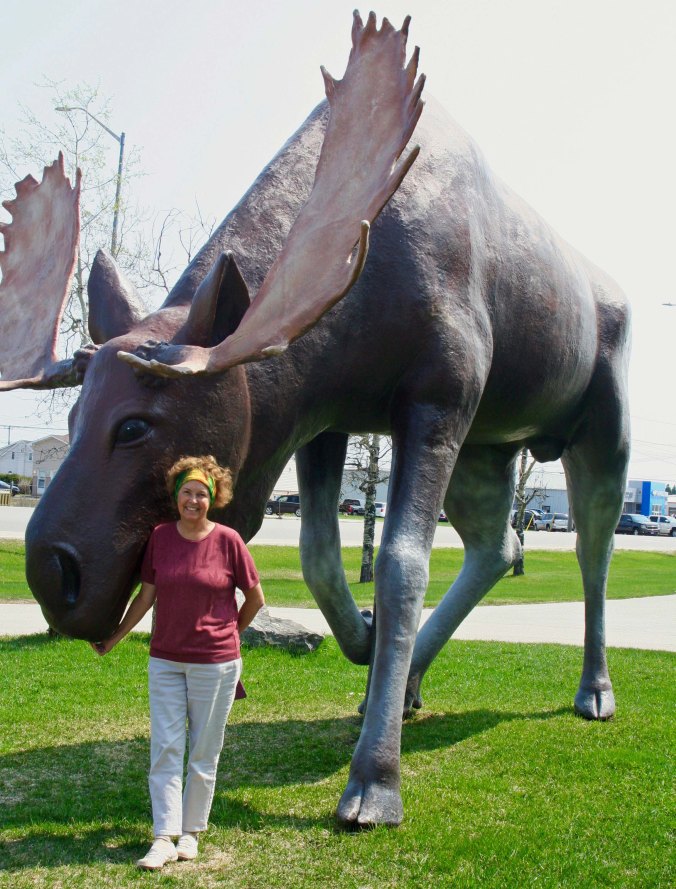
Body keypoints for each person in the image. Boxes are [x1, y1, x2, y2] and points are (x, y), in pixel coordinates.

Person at [92, 455, 265, 870]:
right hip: (165, 660)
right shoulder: (160, 538)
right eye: (186, 492)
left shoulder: (228, 541)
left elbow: (255, 599)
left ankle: (191, 833)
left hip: (216, 664)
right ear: (176, 496)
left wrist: (229, 635)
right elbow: (146, 598)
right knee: (165, 747)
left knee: (204, 751)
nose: (193, 499)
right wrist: (114, 637)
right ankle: (163, 837)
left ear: (213, 497)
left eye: (201, 493)